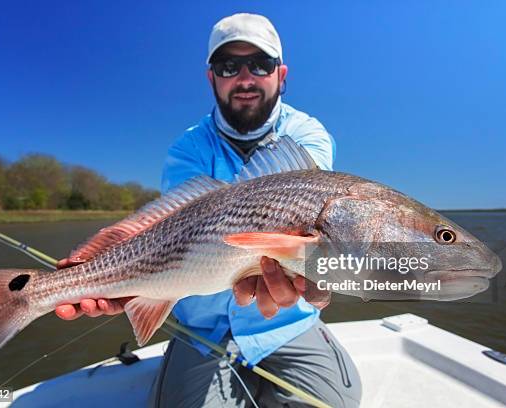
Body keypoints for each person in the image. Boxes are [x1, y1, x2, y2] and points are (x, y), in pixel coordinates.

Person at [55, 13, 361, 408]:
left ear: (281, 74)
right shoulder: (188, 147)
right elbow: (168, 230)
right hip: (201, 327)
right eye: (228, 66)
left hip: (286, 321)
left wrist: (328, 270)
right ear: (211, 77)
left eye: (261, 64)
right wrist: (115, 271)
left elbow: (309, 202)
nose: (245, 78)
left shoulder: (307, 134)